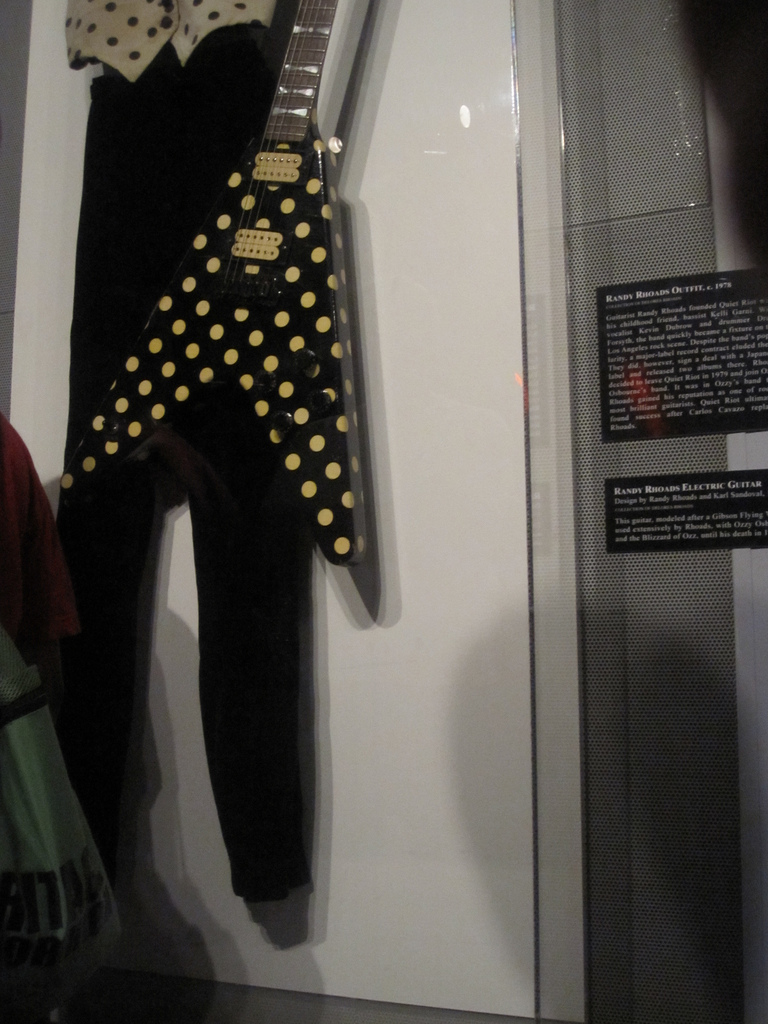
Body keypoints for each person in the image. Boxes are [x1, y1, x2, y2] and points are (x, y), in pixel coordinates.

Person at [56, 0, 314, 903]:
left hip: (235, 83)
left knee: (245, 495)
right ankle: (72, 857)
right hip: (124, 86)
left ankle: (264, 847)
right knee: (97, 509)